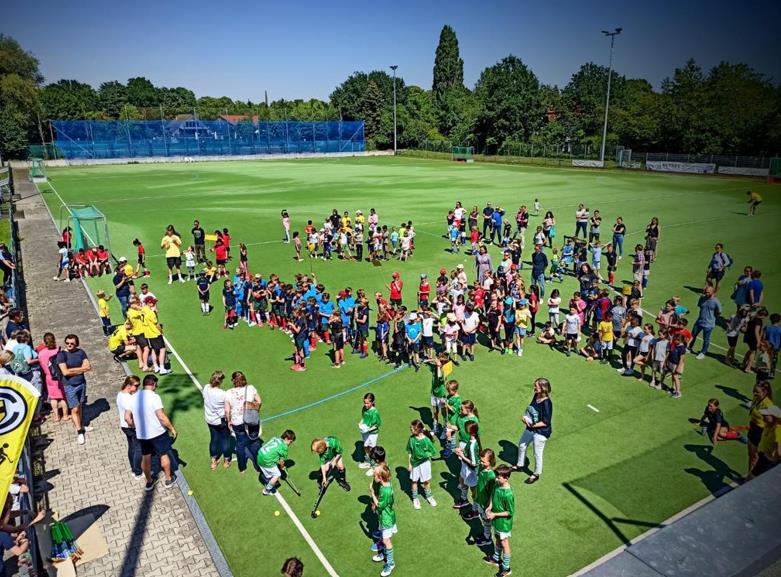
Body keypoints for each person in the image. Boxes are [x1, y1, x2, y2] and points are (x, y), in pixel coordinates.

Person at [127, 374, 177, 491]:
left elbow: (127, 417)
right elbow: (161, 416)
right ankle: (168, 479)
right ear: (153, 384)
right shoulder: (155, 397)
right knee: (163, 455)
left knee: (146, 457)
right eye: (156, 385)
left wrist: (135, 427)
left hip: (142, 435)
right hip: (157, 433)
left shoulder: (133, 397)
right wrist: (172, 428)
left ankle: (149, 482)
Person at [514, 377, 552, 485]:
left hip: (541, 432)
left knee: (537, 453)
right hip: (531, 427)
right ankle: (520, 465)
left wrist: (532, 424)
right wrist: (526, 418)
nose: (534, 387)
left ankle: (536, 474)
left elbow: (546, 422)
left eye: (536, 386)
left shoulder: (547, 403)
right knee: (522, 444)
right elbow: (531, 408)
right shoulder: (536, 395)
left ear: (543, 388)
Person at [56, 334, 91, 445]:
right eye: (67, 343)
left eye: (72, 343)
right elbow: (65, 372)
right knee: (74, 409)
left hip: (81, 383)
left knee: (80, 405)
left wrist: (72, 370)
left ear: (76, 344)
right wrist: (81, 369)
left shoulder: (81, 352)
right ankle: (79, 432)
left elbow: (88, 367)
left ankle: (81, 425)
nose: (69, 345)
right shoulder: (61, 355)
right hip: (69, 385)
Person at [225, 371, 262, 475]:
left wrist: (229, 421)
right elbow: (259, 401)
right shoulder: (251, 388)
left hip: (237, 422)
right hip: (251, 420)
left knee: (240, 445)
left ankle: (242, 468)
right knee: (255, 444)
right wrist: (254, 411)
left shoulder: (228, 393)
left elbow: (227, 410)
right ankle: (258, 467)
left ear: (233, 381)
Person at [485, 464, 514, 577]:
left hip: (504, 523)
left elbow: (510, 512)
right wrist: (489, 507)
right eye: (496, 477)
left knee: (504, 543)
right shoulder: (497, 485)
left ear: (506, 478)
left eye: (499, 477)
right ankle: (496, 558)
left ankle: (506, 568)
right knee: (497, 537)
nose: (496, 479)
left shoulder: (508, 494)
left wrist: (494, 514)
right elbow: (493, 496)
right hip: (496, 520)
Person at [370, 464, 397, 577]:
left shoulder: (385, 490)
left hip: (386, 519)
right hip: (384, 517)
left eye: (375, 475)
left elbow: (380, 506)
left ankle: (390, 564)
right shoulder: (385, 484)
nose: (373, 476)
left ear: (380, 477)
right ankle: (384, 554)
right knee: (383, 536)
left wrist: (372, 493)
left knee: (386, 541)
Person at [203, 371, 231, 470]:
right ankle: (226, 461)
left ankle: (213, 461)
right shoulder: (223, 394)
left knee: (213, 439)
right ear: (220, 381)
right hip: (221, 421)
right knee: (225, 440)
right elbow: (227, 410)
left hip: (210, 419)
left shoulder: (206, 387)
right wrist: (229, 421)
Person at [405, 420, 437, 510]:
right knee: (414, 481)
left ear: (418, 429)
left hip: (425, 464)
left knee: (426, 481)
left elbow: (432, 452)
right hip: (415, 464)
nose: (410, 430)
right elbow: (410, 452)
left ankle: (429, 496)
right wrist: (409, 464)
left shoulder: (426, 440)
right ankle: (415, 498)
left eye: (412, 428)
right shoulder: (411, 439)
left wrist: (425, 455)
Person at [37, 333, 68, 422]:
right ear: (54, 340)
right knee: (63, 397)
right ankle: (65, 416)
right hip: (60, 376)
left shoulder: (41, 353)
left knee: (53, 398)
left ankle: (57, 416)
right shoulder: (59, 350)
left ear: (44, 341)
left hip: (49, 377)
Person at [117, 375, 142, 478]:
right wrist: (134, 426)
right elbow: (127, 417)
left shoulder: (121, 394)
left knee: (131, 447)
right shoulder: (128, 399)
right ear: (128, 385)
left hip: (124, 427)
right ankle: (137, 472)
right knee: (138, 449)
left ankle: (133, 468)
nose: (138, 387)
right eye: (136, 385)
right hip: (130, 427)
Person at [257, 430, 296, 496]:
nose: (290, 444)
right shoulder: (284, 448)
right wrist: (282, 467)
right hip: (266, 461)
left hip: (259, 456)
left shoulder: (275, 439)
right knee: (278, 474)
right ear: (286, 438)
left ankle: (268, 476)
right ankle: (266, 490)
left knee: (271, 464)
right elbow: (281, 462)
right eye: (290, 441)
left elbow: (272, 452)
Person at [747, 382, 774, 475]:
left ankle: (752, 477)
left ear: (765, 392)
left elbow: (771, 421)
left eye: (757, 392)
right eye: (754, 391)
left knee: (755, 456)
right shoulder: (756, 399)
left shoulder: (768, 404)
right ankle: (749, 474)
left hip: (760, 431)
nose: (754, 393)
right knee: (750, 454)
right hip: (753, 427)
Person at [747, 405, 780, 479]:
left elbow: (780, 452)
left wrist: (772, 459)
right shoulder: (768, 426)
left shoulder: (778, 430)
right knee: (751, 477)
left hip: (768, 460)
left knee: (752, 479)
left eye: (766, 415)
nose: (763, 416)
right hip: (763, 456)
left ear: (774, 417)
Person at [689, 286, 721, 360]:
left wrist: (712, 318)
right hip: (699, 321)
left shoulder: (716, 301)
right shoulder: (702, 298)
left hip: (709, 324)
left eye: (708, 292)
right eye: (706, 292)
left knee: (706, 339)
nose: (706, 294)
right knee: (693, 335)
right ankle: (689, 347)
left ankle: (703, 352)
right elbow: (700, 307)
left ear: (713, 292)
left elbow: (719, 312)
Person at [359, 393, 382, 475]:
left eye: (367, 403)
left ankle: (374, 466)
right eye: (364, 403)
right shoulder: (364, 409)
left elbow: (377, 424)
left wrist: (368, 429)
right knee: (366, 446)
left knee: (372, 449)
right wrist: (360, 423)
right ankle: (367, 462)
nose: (365, 405)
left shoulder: (375, 412)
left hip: (373, 433)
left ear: (372, 402)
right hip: (365, 432)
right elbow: (363, 418)